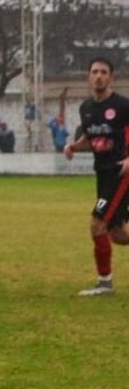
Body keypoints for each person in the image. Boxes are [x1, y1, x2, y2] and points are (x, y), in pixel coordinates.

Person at [63, 57, 129, 296]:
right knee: (117, 234)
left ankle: (105, 283)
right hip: (102, 174)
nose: (99, 76)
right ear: (88, 77)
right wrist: (73, 147)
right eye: (95, 72)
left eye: (103, 72)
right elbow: (91, 139)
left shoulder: (122, 106)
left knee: (97, 225)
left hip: (121, 173)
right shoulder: (87, 108)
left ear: (111, 77)